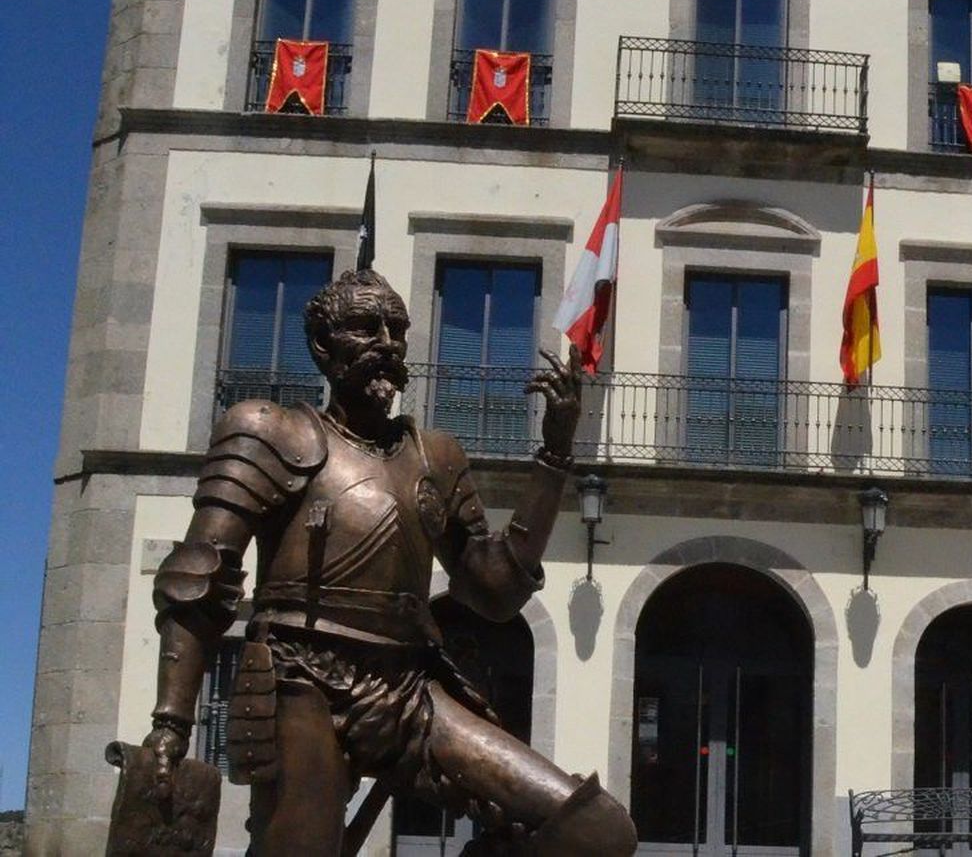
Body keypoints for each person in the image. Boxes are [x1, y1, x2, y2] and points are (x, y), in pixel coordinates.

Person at [135, 269, 637, 855]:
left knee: (598, 830)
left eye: (396, 330)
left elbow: (495, 591)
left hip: (410, 692)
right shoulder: (269, 432)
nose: (387, 344)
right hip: (301, 676)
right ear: (323, 345)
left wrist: (553, 457)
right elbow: (200, 580)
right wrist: (171, 722)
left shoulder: (436, 457)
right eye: (365, 328)